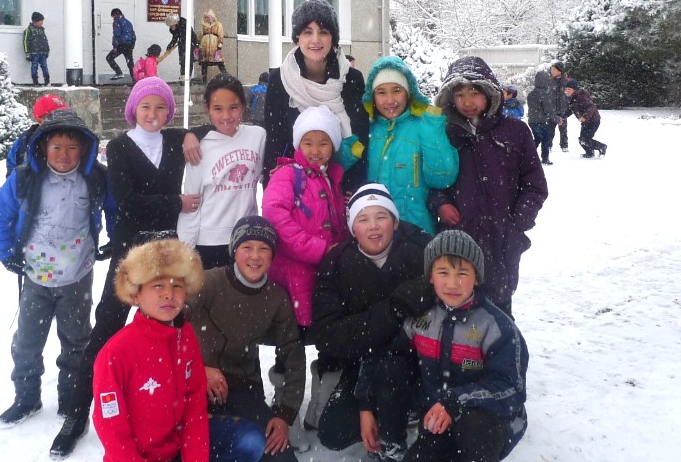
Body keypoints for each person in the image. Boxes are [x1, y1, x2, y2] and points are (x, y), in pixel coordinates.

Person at [52, 77, 200, 459]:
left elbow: (199, 129)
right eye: (146, 107)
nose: (153, 114)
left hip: (167, 251)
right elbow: (129, 201)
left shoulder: (173, 140)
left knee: (175, 326)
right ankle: (76, 409)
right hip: (131, 252)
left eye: (161, 107)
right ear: (134, 109)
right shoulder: (119, 146)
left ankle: (177, 408)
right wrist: (176, 202)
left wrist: (190, 134)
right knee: (106, 328)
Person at [0, 108, 109, 441]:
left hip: (77, 278)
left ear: (83, 148)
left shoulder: (96, 177)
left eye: (72, 147)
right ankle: (26, 398)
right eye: (57, 147)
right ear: (43, 148)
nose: (65, 155)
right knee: (27, 343)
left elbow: (113, 208)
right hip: (36, 278)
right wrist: (5, 253)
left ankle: (71, 400)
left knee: (76, 344)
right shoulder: (26, 178)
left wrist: (115, 240)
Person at [93, 238, 262, 462]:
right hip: (139, 456)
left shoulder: (186, 335)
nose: (169, 294)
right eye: (158, 285)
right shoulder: (115, 353)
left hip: (179, 446)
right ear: (136, 294)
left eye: (177, 286)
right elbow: (112, 427)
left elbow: (194, 406)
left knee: (251, 441)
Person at [309, 183, 433, 457]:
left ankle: (403, 414)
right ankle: (385, 409)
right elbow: (330, 335)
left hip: (419, 363)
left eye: (381, 217)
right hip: (361, 364)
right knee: (334, 431)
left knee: (397, 378)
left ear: (395, 222)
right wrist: (393, 309)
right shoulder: (336, 264)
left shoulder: (422, 254)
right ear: (353, 229)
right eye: (363, 219)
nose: (373, 227)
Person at [389, 230, 528, 462]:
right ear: (431, 276)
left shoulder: (496, 326)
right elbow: (391, 357)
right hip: (438, 420)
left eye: (462, 272)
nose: (452, 283)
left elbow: (511, 388)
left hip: (487, 421)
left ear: (476, 277)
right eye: (443, 272)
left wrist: (456, 401)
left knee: (476, 431)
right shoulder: (418, 317)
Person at [429, 56, 548, 316]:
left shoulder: (515, 132)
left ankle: (503, 355)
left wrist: (517, 222)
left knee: (499, 314)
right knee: (457, 315)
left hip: (501, 241)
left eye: (474, 93)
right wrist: (441, 203)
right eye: (459, 95)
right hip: (457, 241)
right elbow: (432, 179)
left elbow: (535, 184)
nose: (467, 102)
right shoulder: (444, 135)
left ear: (490, 93)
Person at [188, 217, 305, 462]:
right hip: (195, 387)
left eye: (263, 248)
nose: (255, 256)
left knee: (280, 457)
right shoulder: (208, 282)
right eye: (247, 247)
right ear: (234, 251)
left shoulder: (276, 298)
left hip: (243, 390)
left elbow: (293, 353)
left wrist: (284, 415)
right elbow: (165, 326)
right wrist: (198, 369)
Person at [262, 0, 368, 193]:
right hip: (298, 192)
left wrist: (356, 190)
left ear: (333, 38)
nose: (315, 40)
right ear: (297, 38)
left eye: (323, 32)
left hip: (343, 189)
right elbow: (274, 141)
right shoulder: (280, 79)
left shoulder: (352, 79)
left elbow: (360, 139)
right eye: (307, 32)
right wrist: (274, 190)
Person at [262, 104, 348, 331]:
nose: (315, 150)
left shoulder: (332, 177)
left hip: (327, 268)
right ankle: (287, 367)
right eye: (308, 143)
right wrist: (317, 249)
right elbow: (274, 216)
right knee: (291, 332)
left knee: (326, 323)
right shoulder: (288, 174)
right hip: (294, 269)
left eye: (323, 143)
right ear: (298, 143)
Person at [179, 74, 267, 270]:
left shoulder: (258, 136)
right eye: (218, 109)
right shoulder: (198, 146)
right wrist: (185, 251)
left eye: (233, 108)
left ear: (244, 107)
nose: (226, 116)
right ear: (208, 110)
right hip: (209, 243)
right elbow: (191, 203)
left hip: (247, 239)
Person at [363, 55, 459, 235]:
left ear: (408, 93)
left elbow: (442, 178)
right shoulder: (366, 130)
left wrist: (431, 129)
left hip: (417, 232)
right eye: (381, 92)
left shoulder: (424, 126)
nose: (390, 100)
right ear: (372, 96)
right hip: (373, 236)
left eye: (397, 90)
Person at [5, 92, 67, 176]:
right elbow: (12, 166)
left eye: (64, 114)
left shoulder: (75, 136)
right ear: (39, 120)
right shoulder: (25, 140)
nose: (62, 119)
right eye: (55, 116)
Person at [563, 80, 607, 158]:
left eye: (569, 89)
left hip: (593, 121)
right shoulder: (572, 98)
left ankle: (602, 146)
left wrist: (585, 116)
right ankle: (590, 153)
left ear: (574, 89)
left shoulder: (581, 96)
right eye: (566, 89)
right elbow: (570, 109)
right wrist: (562, 116)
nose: (566, 91)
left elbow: (591, 107)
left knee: (585, 139)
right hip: (586, 122)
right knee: (582, 139)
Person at [526, 71, 558, 166]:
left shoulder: (531, 94)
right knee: (545, 140)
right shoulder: (544, 94)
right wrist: (555, 118)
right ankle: (545, 159)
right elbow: (548, 110)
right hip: (541, 121)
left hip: (532, 121)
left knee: (537, 139)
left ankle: (528, 156)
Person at [165, 12, 199, 79]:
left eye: (171, 26)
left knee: (189, 61)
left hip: (190, 45)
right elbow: (175, 37)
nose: (171, 27)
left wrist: (195, 46)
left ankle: (187, 77)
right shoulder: (177, 28)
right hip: (182, 45)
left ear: (176, 23)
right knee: (182, 61)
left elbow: (191, 37)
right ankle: (183, 75)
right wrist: (170, 45)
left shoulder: (185, 26)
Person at [106, 7, 136, 80]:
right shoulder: (128, 22)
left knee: (109, 58)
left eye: (113, 16)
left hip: (122, 44)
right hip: (129, 45)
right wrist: (132, 44)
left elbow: (117, 34)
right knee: (130, 62)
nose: (113, 18)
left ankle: (119, 73)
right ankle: (135, 79)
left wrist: (115, 46)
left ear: (116, 14)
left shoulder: (117, 22)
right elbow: (133, 35)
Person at [199, 9, 229, 82]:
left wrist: (219, 45)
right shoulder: (203, 25)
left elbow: (220, 36)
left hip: (214, 45)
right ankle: (204, 81)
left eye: (208, 17)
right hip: (205, 46)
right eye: (205, 17)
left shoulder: (218, 25)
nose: (206, 19)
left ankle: (227, 78)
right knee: (204, 64)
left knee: (220, 63)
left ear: (212, 17)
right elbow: (200, 35)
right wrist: (199, 44)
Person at [23, 11, 50, 85]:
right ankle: (35, 82)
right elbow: (25, 42)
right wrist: (27, 53)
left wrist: (47, 50)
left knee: (44, 67)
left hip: (43, 52)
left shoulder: (41, 30)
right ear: (36, 21)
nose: (42, 23)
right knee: (34, 67)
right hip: (34, 52)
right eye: (41, 21)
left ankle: (47, 81)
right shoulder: (29, 30)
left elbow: (45, 40)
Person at [548, 62, 570, 152]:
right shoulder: (549, 81)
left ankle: (564, 145)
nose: (552, 71)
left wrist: (567, 106)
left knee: (563, 130)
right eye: (551, 70)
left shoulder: (567, 81)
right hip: (552, 110)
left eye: (554, 69)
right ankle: (548, 145)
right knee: (550, 130)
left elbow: (571, 95)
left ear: (560, 70)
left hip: (563, 110)